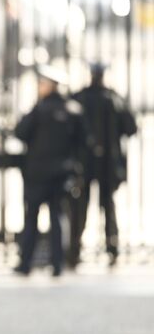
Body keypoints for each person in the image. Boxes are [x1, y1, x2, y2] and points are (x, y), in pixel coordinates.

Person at [14, 66, 85, 277]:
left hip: (38, 174)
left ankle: (26, 262)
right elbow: (83, 142)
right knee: (57, 219)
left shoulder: (39, 109)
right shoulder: (72, 110)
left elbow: (21, 132)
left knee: (32, 219)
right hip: (60, 173)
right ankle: (57, 263)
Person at [69, 63, 137, 267]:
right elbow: (131, 127)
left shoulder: (81, 98)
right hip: (104, 162)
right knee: (105, 205)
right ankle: (109, 246)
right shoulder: (112, 99)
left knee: (84, 206)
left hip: (88, 161)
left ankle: (75, 248)